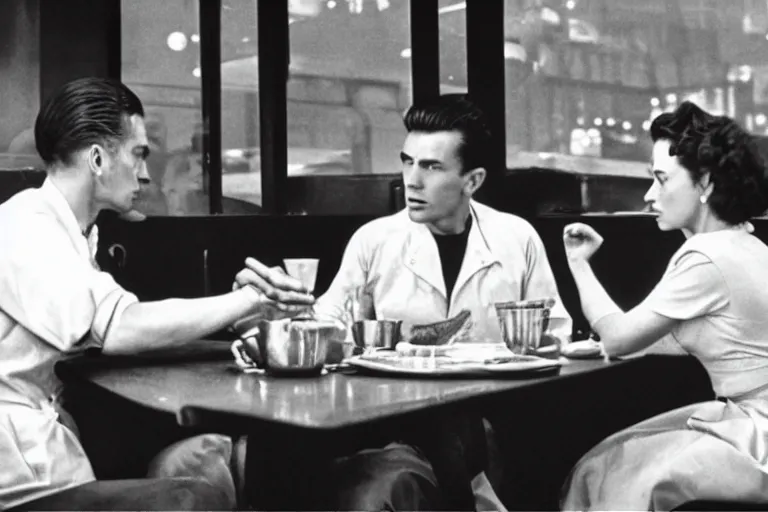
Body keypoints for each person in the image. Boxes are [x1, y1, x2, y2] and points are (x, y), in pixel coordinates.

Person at [0, 76, 315, 511]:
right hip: (16, 475)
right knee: (191, 498)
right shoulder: (26, 226)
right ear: (97, 158)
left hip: (44, 449)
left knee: (210, 459)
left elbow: (119, 328)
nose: (146, 174)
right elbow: (120, 327)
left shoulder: (73, 234)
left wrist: (235, 317)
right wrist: (247, 300)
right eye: (139, 154)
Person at [311, 94, 573, 511]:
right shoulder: (374, 240)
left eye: (431, 167)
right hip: (395, 419)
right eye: (407, 161)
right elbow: (327, 323)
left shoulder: (516, 237)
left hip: (495, 418)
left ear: (473, 180)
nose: (412, 181)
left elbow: (554, 332)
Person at [560, 101, 768, 510]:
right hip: (754, 418)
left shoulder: (705, 255)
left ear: (705, 182)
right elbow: (706, 339)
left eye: (660, 179)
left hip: (758, 432)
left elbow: (620, 339)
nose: (649, 194)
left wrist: (578, 263)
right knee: (613, 459)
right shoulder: (748, 244)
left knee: (601, 468)